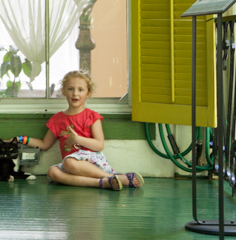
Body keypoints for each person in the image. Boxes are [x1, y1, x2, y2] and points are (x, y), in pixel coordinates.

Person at [13, 70, 144, 190]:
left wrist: (77, 139)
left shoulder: (92, 116)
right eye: (70, 89)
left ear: (88, 93)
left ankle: (110, 176)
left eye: (80, 89)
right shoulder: (57, 120)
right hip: (70, 164)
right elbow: (44, 145)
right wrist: (20, 139)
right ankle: (104, 182)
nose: (75, 93)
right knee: (52, 172)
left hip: (92, 161)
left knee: (70, 163)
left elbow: (99, 145)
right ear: (63, 91)